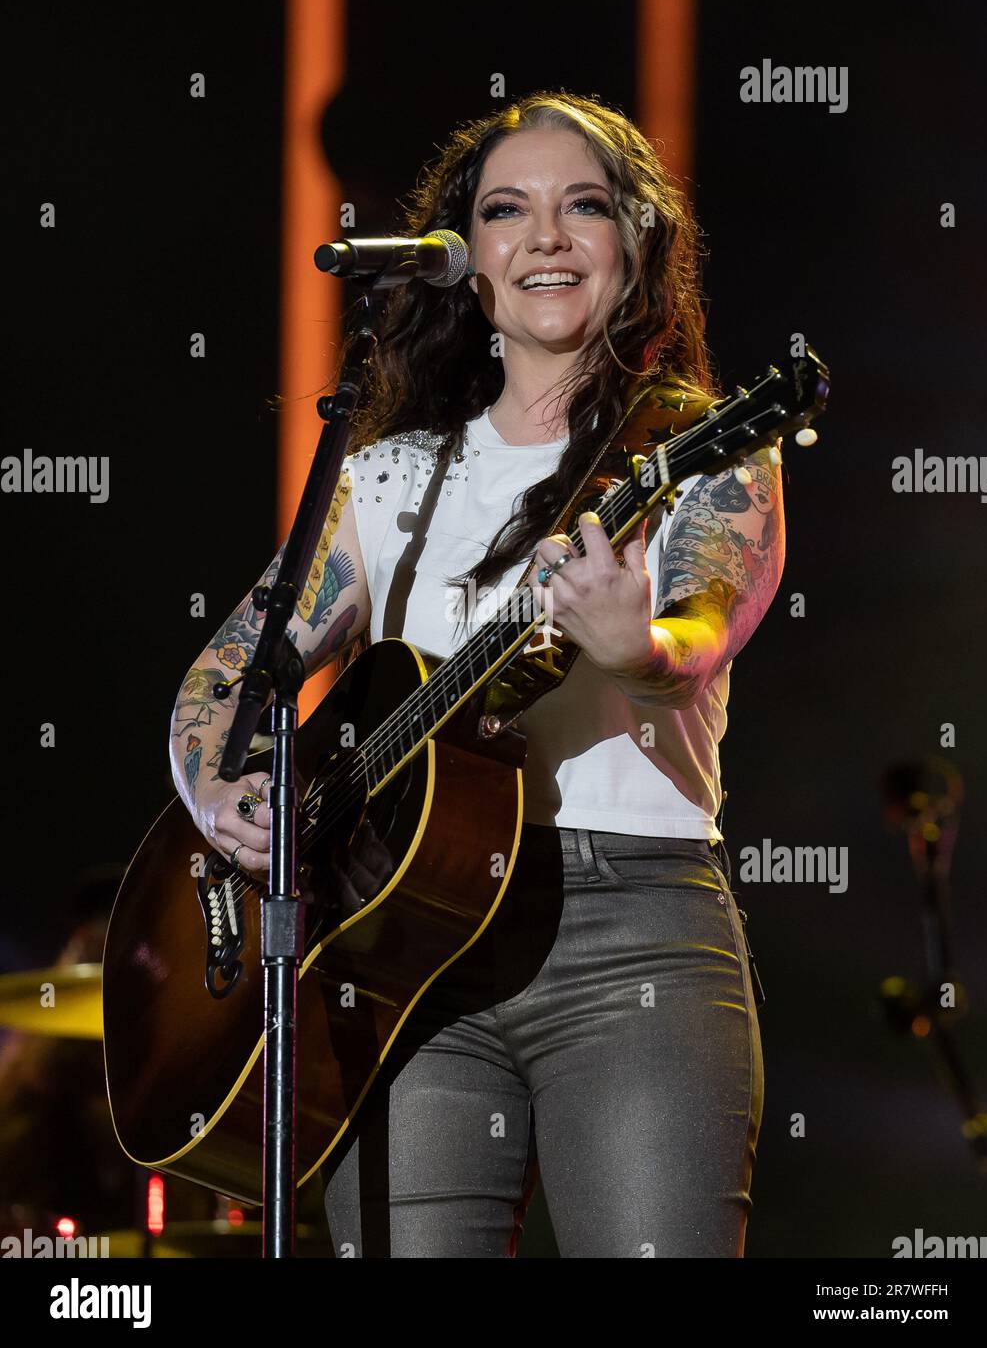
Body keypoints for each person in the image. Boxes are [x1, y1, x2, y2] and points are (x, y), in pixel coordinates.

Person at [169, 91, 782, 1258]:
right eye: (506, 211)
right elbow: (233, 668)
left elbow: (702, 621)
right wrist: (219, 792)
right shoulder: (386, 479)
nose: (545, 236)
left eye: (583, 207)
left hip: (627, 931)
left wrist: (637, 649)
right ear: (467, 260)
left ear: (636, 243)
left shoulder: (701, 448)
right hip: (397, 953)